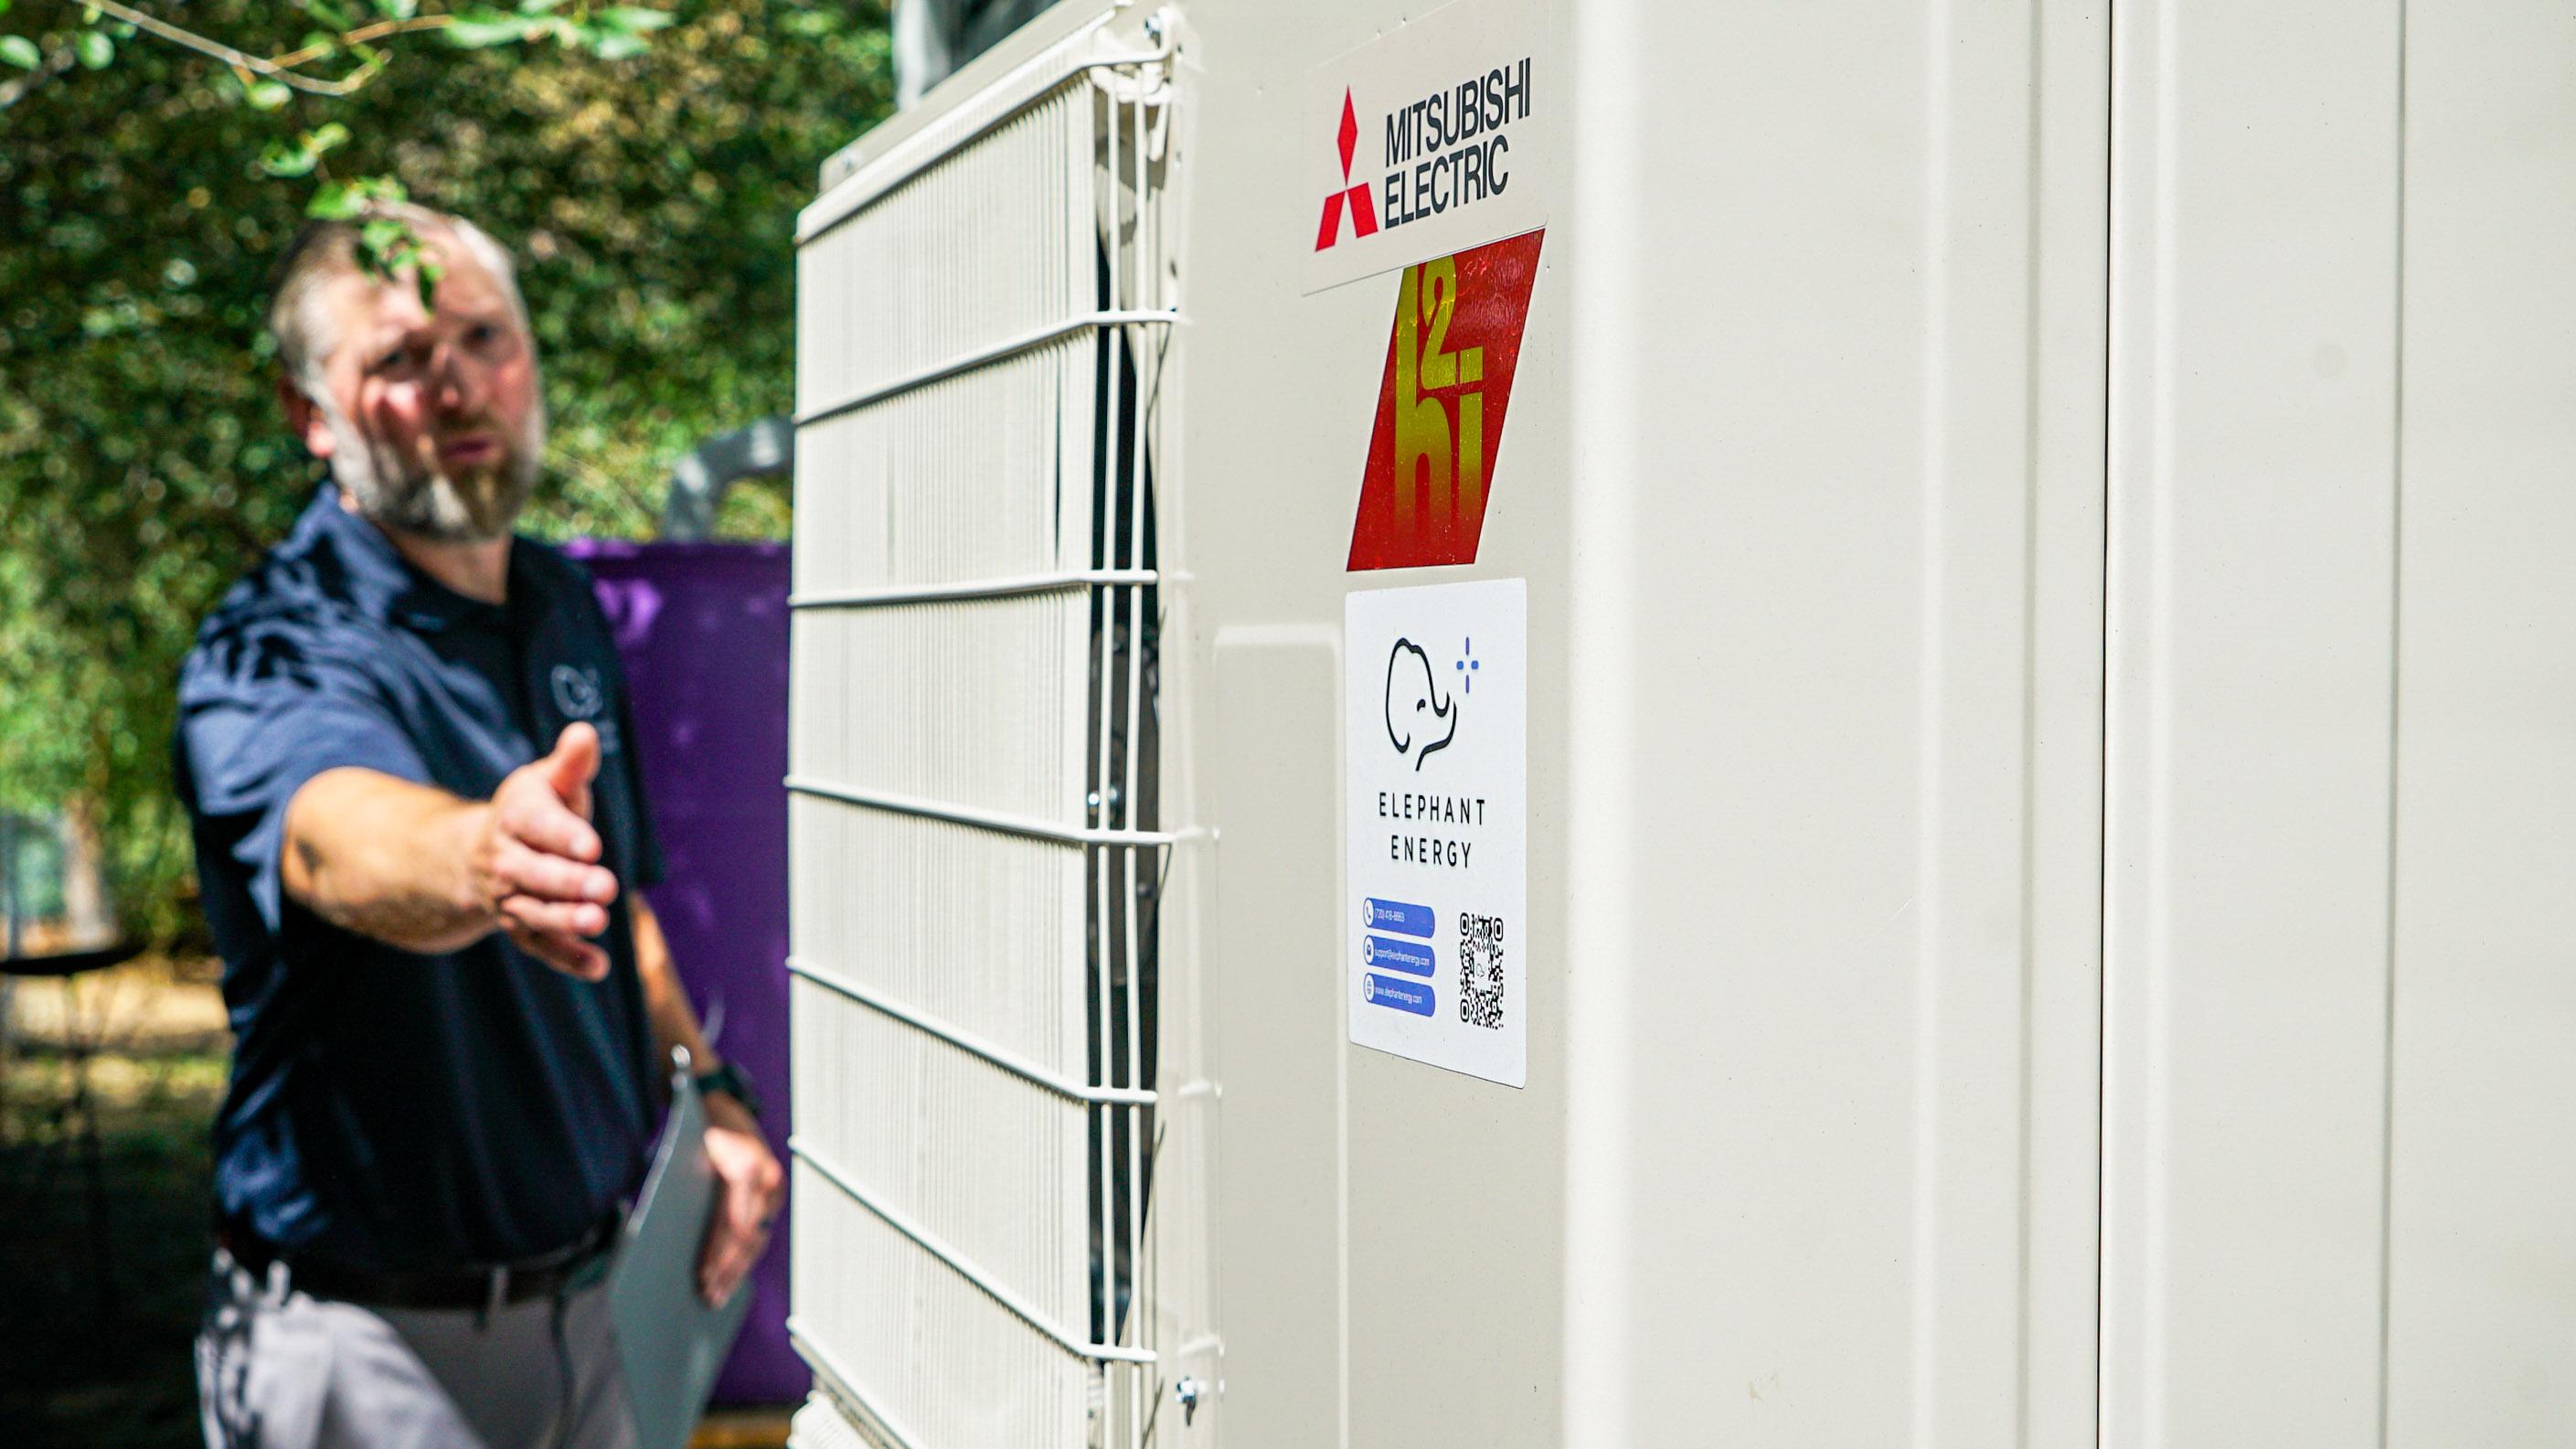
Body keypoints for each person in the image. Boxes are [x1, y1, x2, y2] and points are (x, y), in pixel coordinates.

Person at [175, 203, 784, 1449]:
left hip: (596, 1309)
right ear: (312, 415)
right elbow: (328, 838)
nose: (457, 385)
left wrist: (711, 1093)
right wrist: (478, 857)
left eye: (483, 338)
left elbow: (624, 902)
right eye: (398, 360)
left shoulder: (562, 600)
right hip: (368, 1347)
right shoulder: (274, 640)